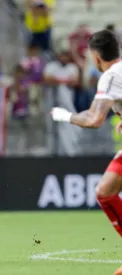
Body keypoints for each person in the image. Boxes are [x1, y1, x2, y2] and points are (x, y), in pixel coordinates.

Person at [51, 30, 122, 274]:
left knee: (105, 192)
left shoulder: (111, 76)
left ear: (95, 56)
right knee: (105, 191)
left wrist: (66, 116)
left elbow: (94, 120)